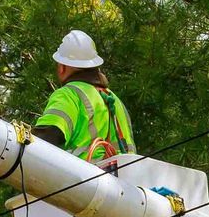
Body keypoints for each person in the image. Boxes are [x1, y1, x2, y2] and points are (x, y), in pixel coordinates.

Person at [32, 30, 135, 162]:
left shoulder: (69, 94)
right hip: (123, 179)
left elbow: (44, 139)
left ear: (62, 67)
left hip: (82, 180)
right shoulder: (116, 101)